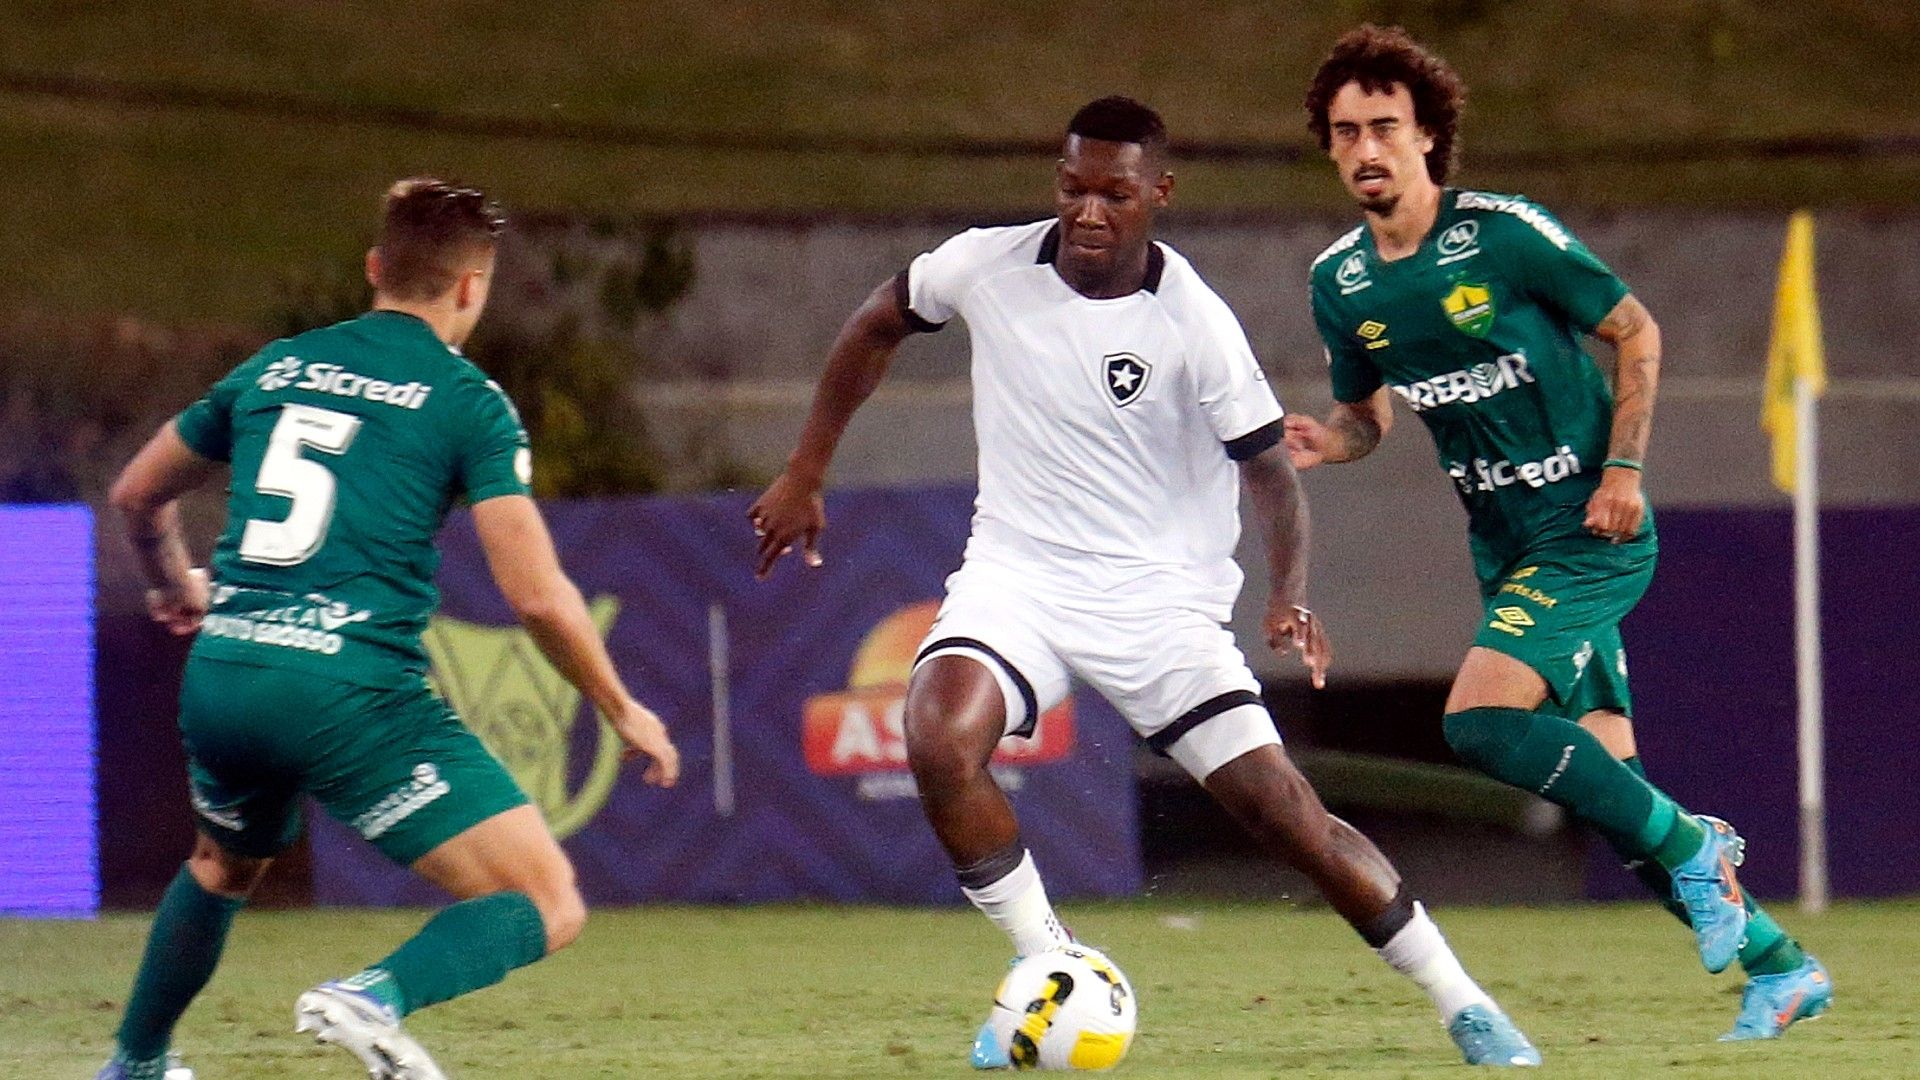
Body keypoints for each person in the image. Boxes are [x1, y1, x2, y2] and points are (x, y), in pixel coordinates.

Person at [750, 96, 1540, 1068]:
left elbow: (1270, 473)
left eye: (1113, 193)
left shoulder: (1192, 321)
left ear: (1156, 193)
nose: (1088, 210)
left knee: (1288, 818)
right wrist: (804, 471)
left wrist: (1286, 594)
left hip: (1162, 606)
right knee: (935, 737)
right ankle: (1053, 967)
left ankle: (1463, 1001)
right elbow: (879, 321)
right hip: (1020, 582)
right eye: (1072, 187)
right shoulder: (984, 266)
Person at [1287, 25, 1829, 1041]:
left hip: (1590, 528)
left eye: (1386, 127)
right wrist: (1331, 439)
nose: (1366, 147)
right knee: (1609, 788)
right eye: (1346, 130)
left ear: (1428, 136)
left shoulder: (1502, 233)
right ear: (1329, 145)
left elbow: (1635, 329)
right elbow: (1370, 415)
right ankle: (1779, 966)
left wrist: (1624, 469)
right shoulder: (1341, 284)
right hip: (1507, 549)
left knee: (1481, 724)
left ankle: (1700, 847)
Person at [98, 178, 680, 1080]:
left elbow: (136, 494)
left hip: (227, 672)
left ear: (375, 269)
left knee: (222, 863)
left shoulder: (276, 366)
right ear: (471, 289)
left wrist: (176, 583)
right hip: (344, 688)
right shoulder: (466, 400)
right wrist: (619, 706)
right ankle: (371, 998)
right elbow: (535, 595)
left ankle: (136, 1063)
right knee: (545, 897)